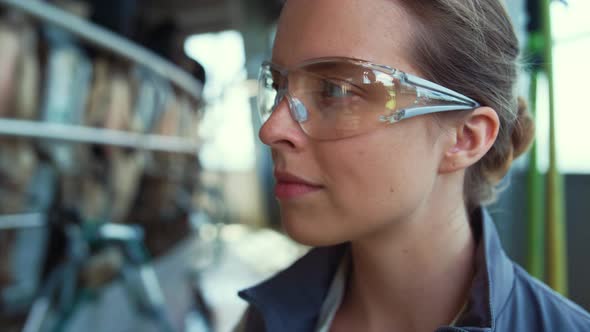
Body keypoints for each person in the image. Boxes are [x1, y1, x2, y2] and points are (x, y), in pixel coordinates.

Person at [235, 0, 590, 331]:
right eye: (279, 85)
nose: (271, 130)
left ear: (465, 137)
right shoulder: (263, 318)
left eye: (337, 91)